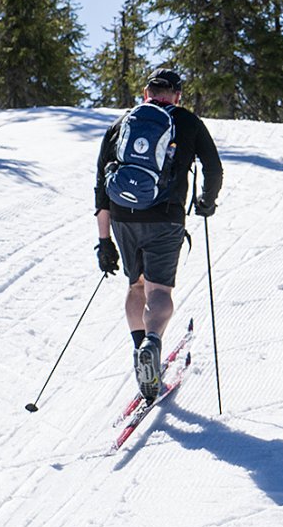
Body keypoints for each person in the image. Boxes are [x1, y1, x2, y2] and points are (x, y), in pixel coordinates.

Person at [94, 67, 223, 400]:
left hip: (123, 216)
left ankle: (140, 350)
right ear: (177, 96)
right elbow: (213, 166)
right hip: (166, 218)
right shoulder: (188, 122)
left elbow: (100, 186)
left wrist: (104, 241)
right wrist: (206, 201)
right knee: (159, 291)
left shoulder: (123, 123)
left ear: (145, 92)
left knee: (135, 284)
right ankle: (152, 343)